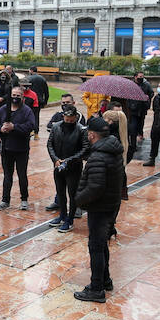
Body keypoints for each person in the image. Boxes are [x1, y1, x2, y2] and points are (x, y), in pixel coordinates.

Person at [73, 115, 124, 302]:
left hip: (100, 208)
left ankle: (96, 289)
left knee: (95, 246)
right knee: (102, 244)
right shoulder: (114, 150)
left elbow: (95, 187)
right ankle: (105, 280)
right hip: (110, 206)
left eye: (88, 133)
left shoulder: (98, 156)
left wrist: (78, 200)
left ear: (92, 135)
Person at [47, 99, 89, 232]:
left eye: (72, 120)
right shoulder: (56, 127)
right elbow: (49, 144)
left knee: (72, 193)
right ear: (63, 116)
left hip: (73, 167)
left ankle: (70, 220)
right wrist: (55, 159)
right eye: (67, 119)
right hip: (58, 165)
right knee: (60, 193)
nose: (69, 122)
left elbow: (85, 148)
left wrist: (68, 160)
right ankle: (62, 215)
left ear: (76, 118)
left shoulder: (81, 130)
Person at [0, 85, 35, 210]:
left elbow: (30, 125)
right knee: (7, 175)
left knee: (22, 174)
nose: (15, 98)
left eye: (18, 96)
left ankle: (24, 199)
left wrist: (14, 127)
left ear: (22, 97)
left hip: (21, 148)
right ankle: (5, 200)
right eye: (13, 95)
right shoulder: (3, 109)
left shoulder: (27, 111)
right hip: (6, 147)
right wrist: (1, 129)